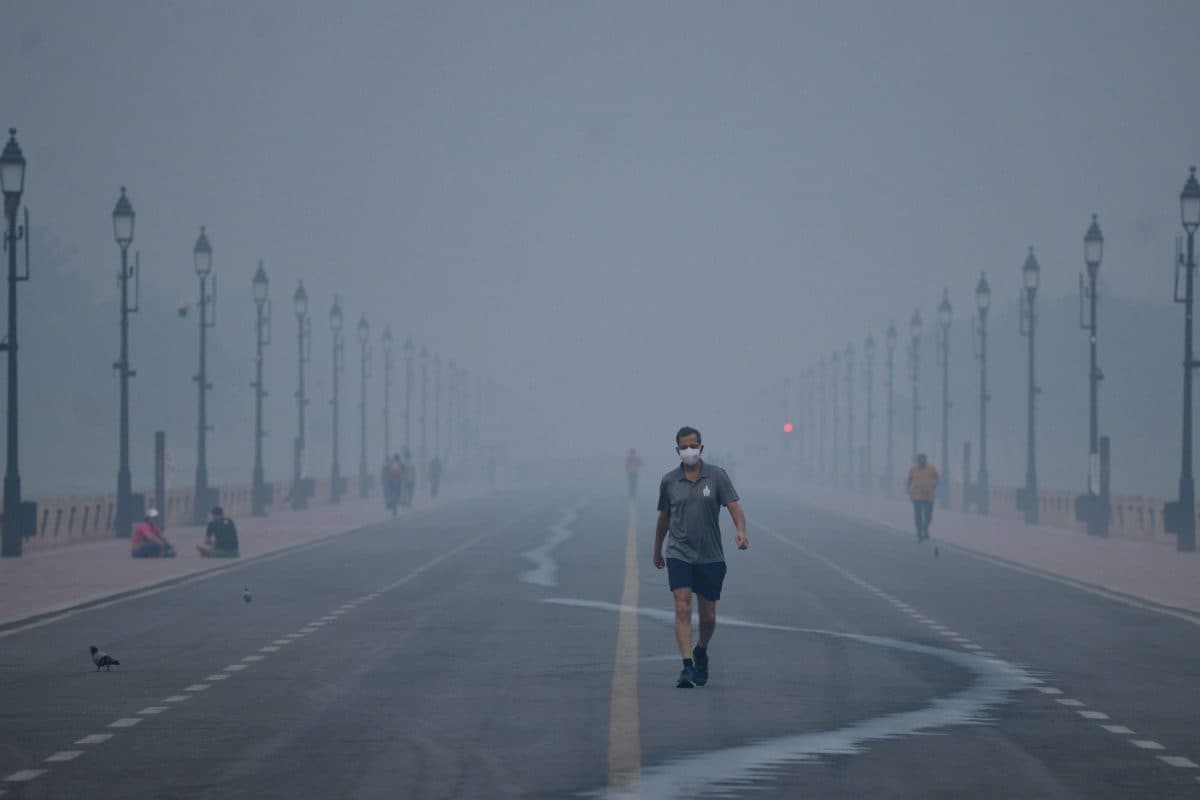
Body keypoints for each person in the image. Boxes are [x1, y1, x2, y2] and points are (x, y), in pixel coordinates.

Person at [653, 426, 748, 689]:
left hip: (710, 555)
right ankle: (686, 666)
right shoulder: (669, 481)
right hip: (679, 553)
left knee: (708, 617)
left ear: (701, 447)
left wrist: (741, 531)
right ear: (677, 450)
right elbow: (664, 518)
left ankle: (701, 651)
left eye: (693, 445)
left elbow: (735, 508)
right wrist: (657, 548)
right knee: (682, 606)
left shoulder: (717, 476)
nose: (689, 451)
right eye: (684, 447)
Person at [908, 453, 940, 542]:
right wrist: (908, 490)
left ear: (926, 460)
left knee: (928, 515)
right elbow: (909, 480)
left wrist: (934, 486)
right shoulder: (913, 469)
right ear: (917, 460)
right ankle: (919, 532)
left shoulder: (932, 468)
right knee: (918, 515)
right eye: (920, 460)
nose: (922, 461)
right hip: (917, 496)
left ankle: (925, 528)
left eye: (923, 460)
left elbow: (937, 479)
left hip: (929, 495)